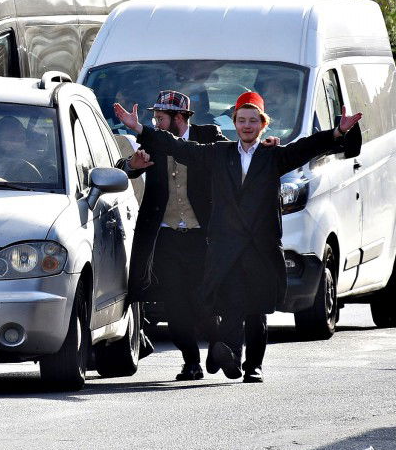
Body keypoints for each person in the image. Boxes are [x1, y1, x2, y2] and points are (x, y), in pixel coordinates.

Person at [114, 92, 362, 383]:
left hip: (261, 247)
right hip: (227, 247)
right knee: (230, 303)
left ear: (262, 125)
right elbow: (179, 148)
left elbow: (306, 148)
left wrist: (338, 131)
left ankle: (253, 366)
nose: (246, 125)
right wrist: (140, 129)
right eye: (241, 120)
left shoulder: (273, 157)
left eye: (252, 121)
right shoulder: (219, 153)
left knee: (256, 310)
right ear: (235, 124)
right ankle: (228, 352)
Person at [119, 90, 230, 380]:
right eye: (154, 118)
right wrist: (133, 166)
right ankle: (190, 361)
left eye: (161, 118)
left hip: (201, 238)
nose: (155, 123)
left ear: (179, 118)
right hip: (166, 238)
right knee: (175, 304)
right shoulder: (152, 142)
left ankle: (218, 345)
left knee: (203, 301)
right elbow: (120, 169)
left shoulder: (209, 137)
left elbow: (233, 155)